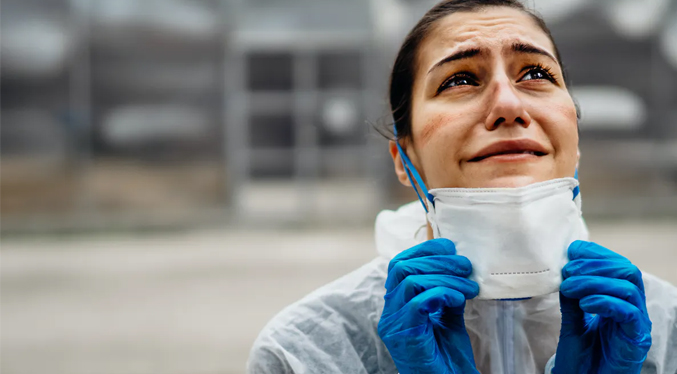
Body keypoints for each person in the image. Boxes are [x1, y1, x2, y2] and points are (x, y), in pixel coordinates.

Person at [247, 1, 677, 373]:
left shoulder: (666, 330)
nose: (509, 105)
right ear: (405, 159)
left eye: (535, 72)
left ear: (575, 139)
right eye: (459, 80)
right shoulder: (305, 351)